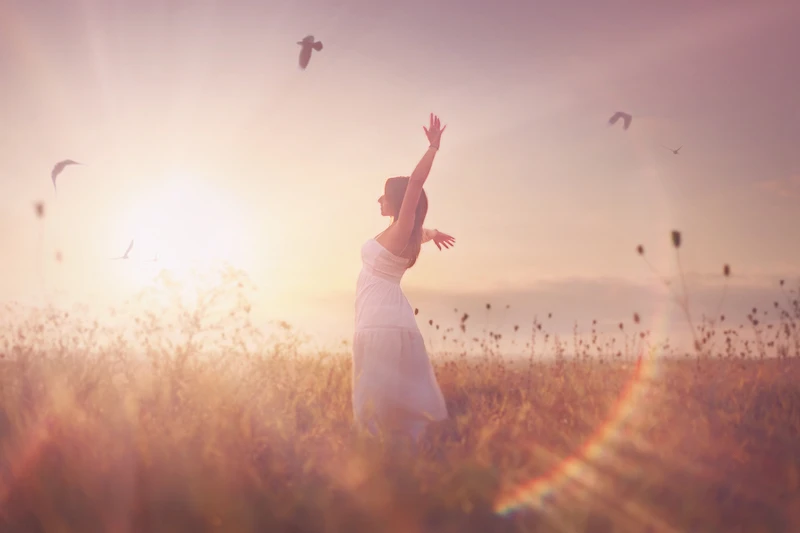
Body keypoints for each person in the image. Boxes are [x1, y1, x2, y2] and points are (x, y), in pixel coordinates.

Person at [352, 113, 451, 442]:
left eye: (383, 195)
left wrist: (433, 147)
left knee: (376, 406)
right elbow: (422, 233)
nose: (378, 199)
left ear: (395, 199)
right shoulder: (402, 233)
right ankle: (399, 459)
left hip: (382, 323)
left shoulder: (401, 229)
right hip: (385, 321)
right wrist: (434, 233)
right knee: (387, 405)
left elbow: (415, 184)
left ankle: (387, 466)